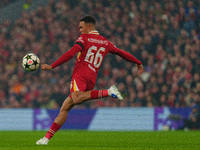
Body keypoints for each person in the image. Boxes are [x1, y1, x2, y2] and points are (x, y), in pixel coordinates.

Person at [36, 16, 143, 145]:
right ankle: (46, 138)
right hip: (91, 79)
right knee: (65, 108)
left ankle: (108, 92)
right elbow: (121, 52)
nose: (80, 30)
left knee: (75, 99)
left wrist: (52, 66)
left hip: (80, 75)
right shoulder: (105, 42)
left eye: (81, 27)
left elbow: (70, 53)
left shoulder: (84, 39)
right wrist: (137, 62)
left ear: (89, 26)